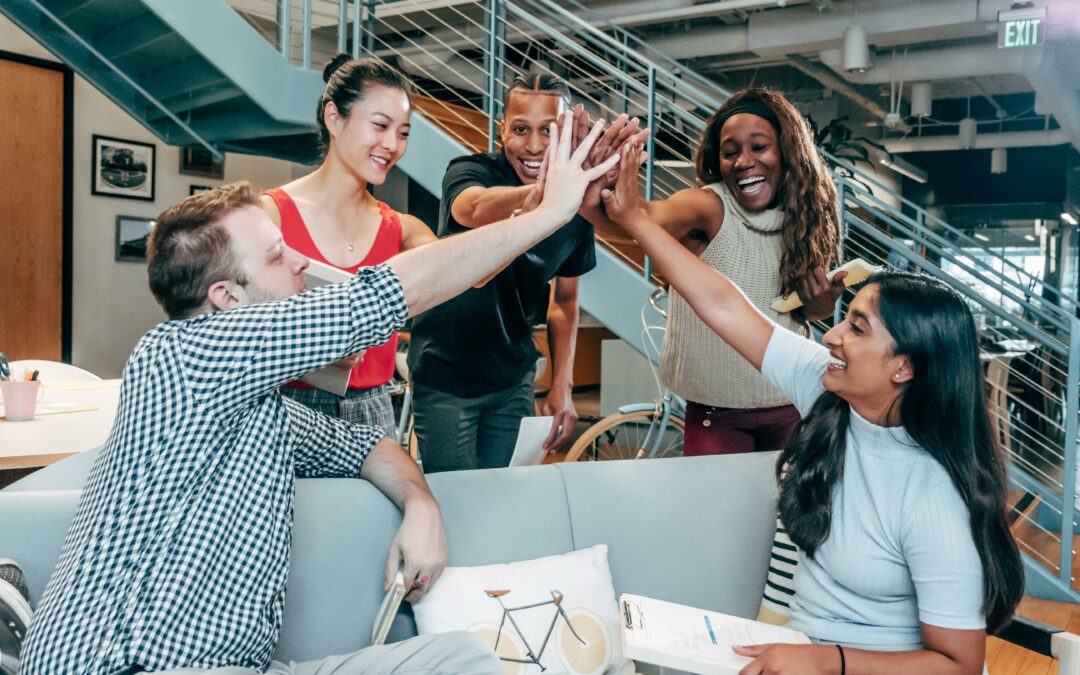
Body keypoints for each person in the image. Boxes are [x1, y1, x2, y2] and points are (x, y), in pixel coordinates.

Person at [18, 113, 620, 674]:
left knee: (463, 658)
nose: (301, 264)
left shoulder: (259, 408)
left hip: (240, 666)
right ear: (227, 298)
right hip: (126, 666)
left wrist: (422, 505)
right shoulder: (180, 355)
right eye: (277, 255)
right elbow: (386, 296)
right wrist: (551, 212)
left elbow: (366, 446)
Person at [600, 139, 1024, 674]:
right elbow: (725, 305)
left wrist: (826, 660)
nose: (831, 336)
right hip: (799, 653)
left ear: (904, 367)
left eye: (857, 328)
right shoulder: (828, 392)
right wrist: (635, 220)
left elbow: (957, 666)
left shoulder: (933, 495)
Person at [582, 87, 844, 456]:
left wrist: (821, 304)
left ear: (787, 152)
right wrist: (598, 187)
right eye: (729, 152)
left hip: (792, 403)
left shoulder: (804, 220)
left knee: (785, 497)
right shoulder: (708, 206)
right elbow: (641, 219)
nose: (743, 161)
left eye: (759, 147)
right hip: (715, 414)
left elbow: (803, 315)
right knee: (713, 497)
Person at [406, 74, 632, 472]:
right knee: (455, 496)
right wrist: (551, 195)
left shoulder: (577, 209)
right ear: (502, 130)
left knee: (504, 494)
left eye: (549, 131)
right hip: (446, 374)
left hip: (512, 379)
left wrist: (562, 383)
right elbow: (473, 207)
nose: (534, 146)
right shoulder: (470, 170)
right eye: (521, 129)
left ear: (567, 135)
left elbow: (565, 302)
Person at [262, 55, 437, 431]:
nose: (391, 145)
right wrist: (314, 353)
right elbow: (234, 328)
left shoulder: (403, 230)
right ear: (334, 118)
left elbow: (466, 275)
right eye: (380, 125)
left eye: (403, 133)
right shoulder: (270, 215)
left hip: (374, 411)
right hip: (288, 409)